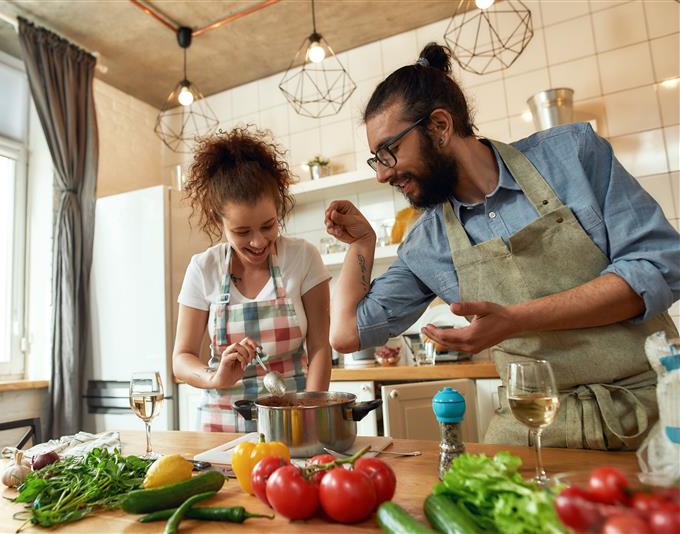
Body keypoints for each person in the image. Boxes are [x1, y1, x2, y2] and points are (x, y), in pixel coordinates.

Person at [325, 43, 680, 451]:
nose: (383, 175)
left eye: (388, 152)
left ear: (440, 127)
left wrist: (516, 319)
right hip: (533, 421)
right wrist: (362, 242)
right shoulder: (429, 241)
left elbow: (660, 267)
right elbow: (347, 335)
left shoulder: (572, 155)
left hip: (652, 407)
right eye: (377, 160)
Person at [174, 127, 332, 432]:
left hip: (293, 420)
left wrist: (310, 412)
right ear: (217, 221)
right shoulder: (203, 268)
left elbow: (320, 348)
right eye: (242, 232)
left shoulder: (302, 257)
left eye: (268, 225)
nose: (259, 242)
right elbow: (181, 358)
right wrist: (215, 377)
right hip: (220, 426)